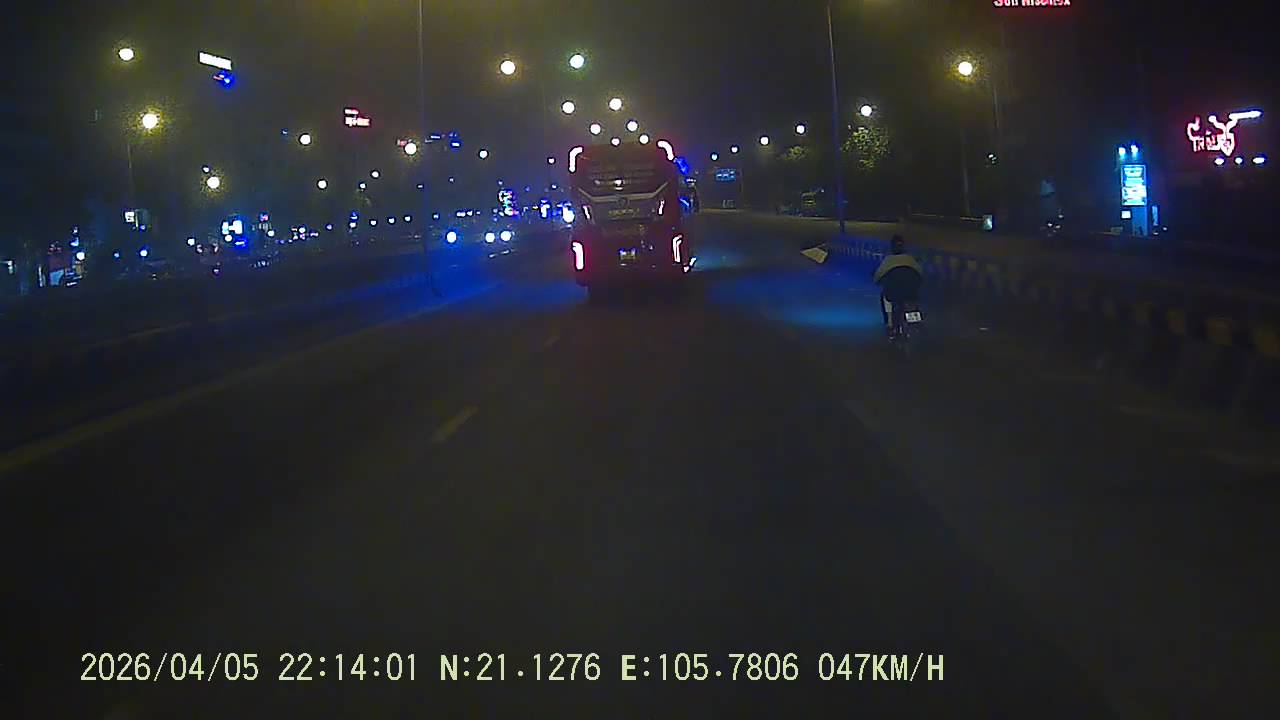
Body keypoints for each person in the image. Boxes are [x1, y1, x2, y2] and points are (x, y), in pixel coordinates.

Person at [872, 234, 923, 334]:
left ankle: (890, 322)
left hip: (894, 292)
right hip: (912, 292)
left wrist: (876, 280)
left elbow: (878, 275)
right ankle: (916, 319)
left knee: (886, 298)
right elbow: (920, 273)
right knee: (913, 303)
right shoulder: (910, 259)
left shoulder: (888, 260)